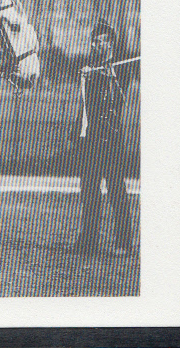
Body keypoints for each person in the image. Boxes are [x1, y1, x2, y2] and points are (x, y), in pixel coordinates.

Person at [73, 18, 134, 256]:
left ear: (111, 44)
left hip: (110, 139)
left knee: (116, 190)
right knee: (88, 191)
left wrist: (110, 77)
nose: (96, 45)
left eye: (101, 41)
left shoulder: (120, 67)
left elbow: (119, 99)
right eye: (94, 41)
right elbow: (86, 106)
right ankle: (87, 241)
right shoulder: (91, 67)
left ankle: (123, 243)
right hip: (90, 138)